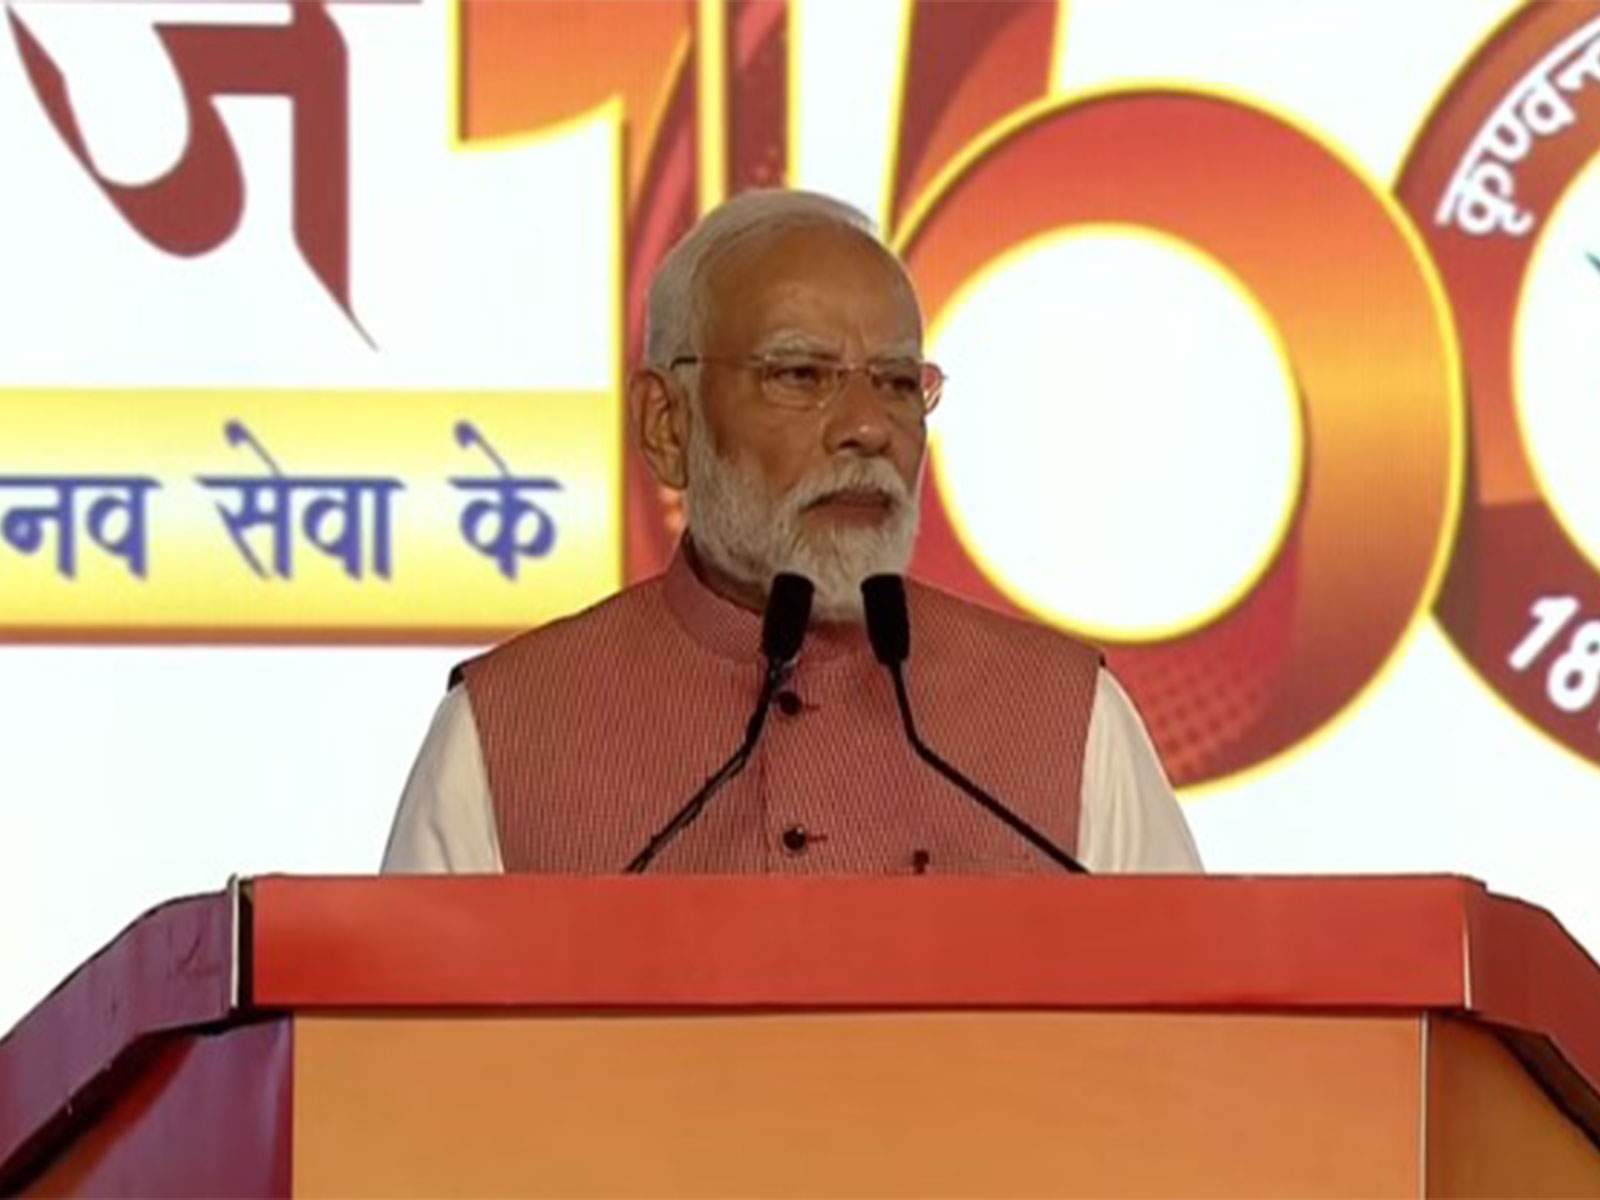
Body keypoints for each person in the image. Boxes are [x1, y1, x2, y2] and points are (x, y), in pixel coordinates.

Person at [383, 189, 1200, 875]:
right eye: (800, 375)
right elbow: (409, 1025)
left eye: (896, 383)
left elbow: (1190, 1014)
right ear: (667, 424)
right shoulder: (505, 733)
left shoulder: (1067, 719)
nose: (868, 428)